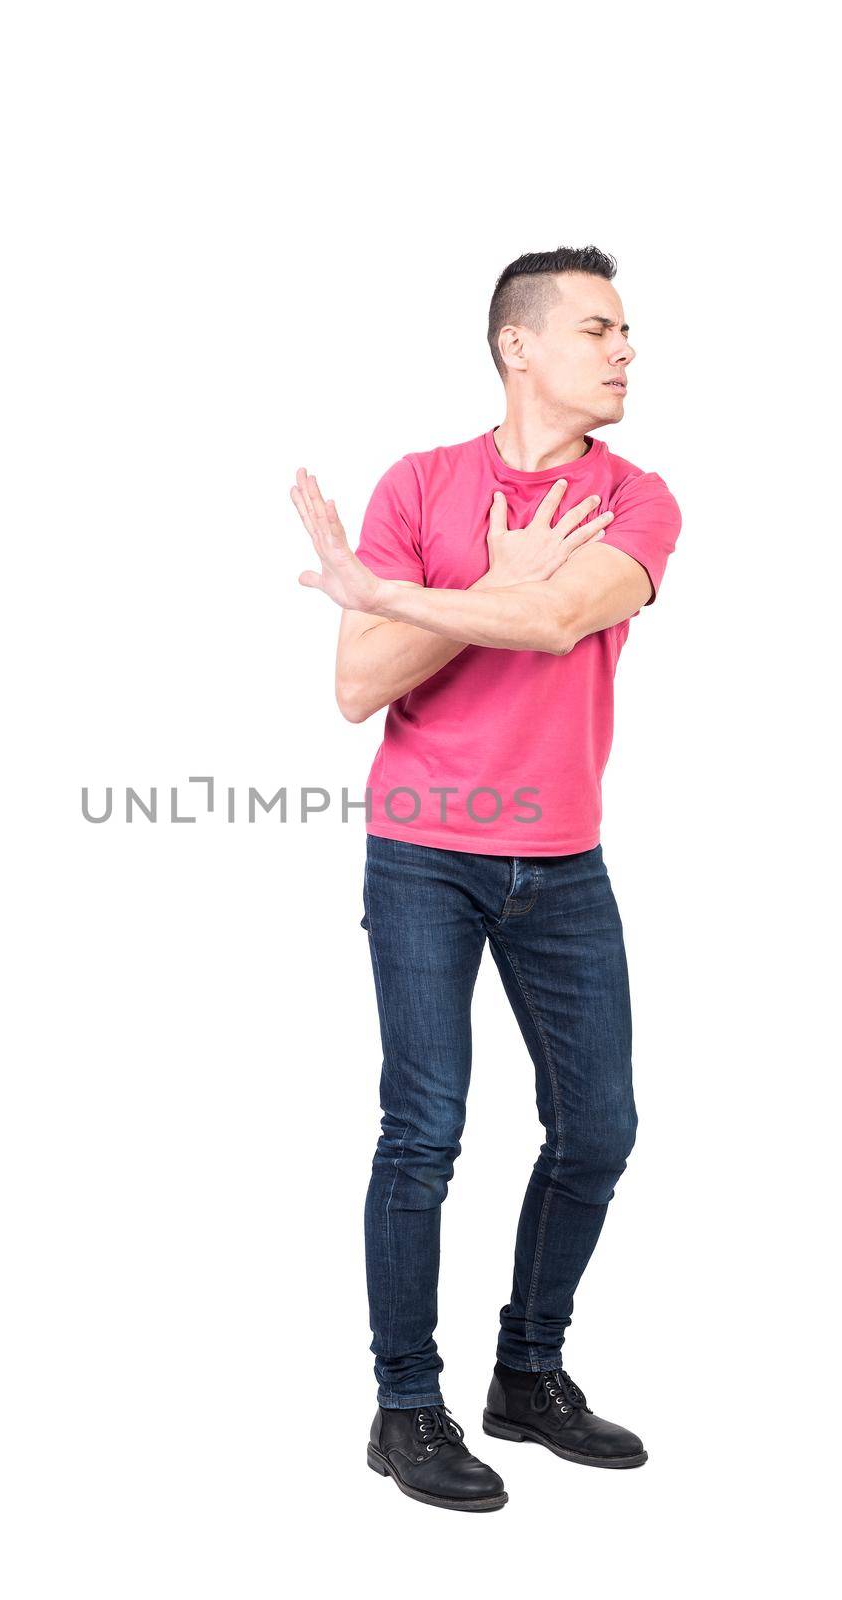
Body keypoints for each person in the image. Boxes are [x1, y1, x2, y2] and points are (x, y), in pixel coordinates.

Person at [289, 246, 682, 1513]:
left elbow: (561, 618)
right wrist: (481, 583)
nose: (626, 349)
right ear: (520, 346)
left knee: (600, 1129)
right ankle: (406, 1406)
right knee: (426, 1130)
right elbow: (357, 689)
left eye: (628, 332)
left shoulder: (639, 498)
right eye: (598, 328)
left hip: (563, 861)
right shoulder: (423, 482)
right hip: (423, 855)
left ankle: (529, 1373)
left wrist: (415, 594)